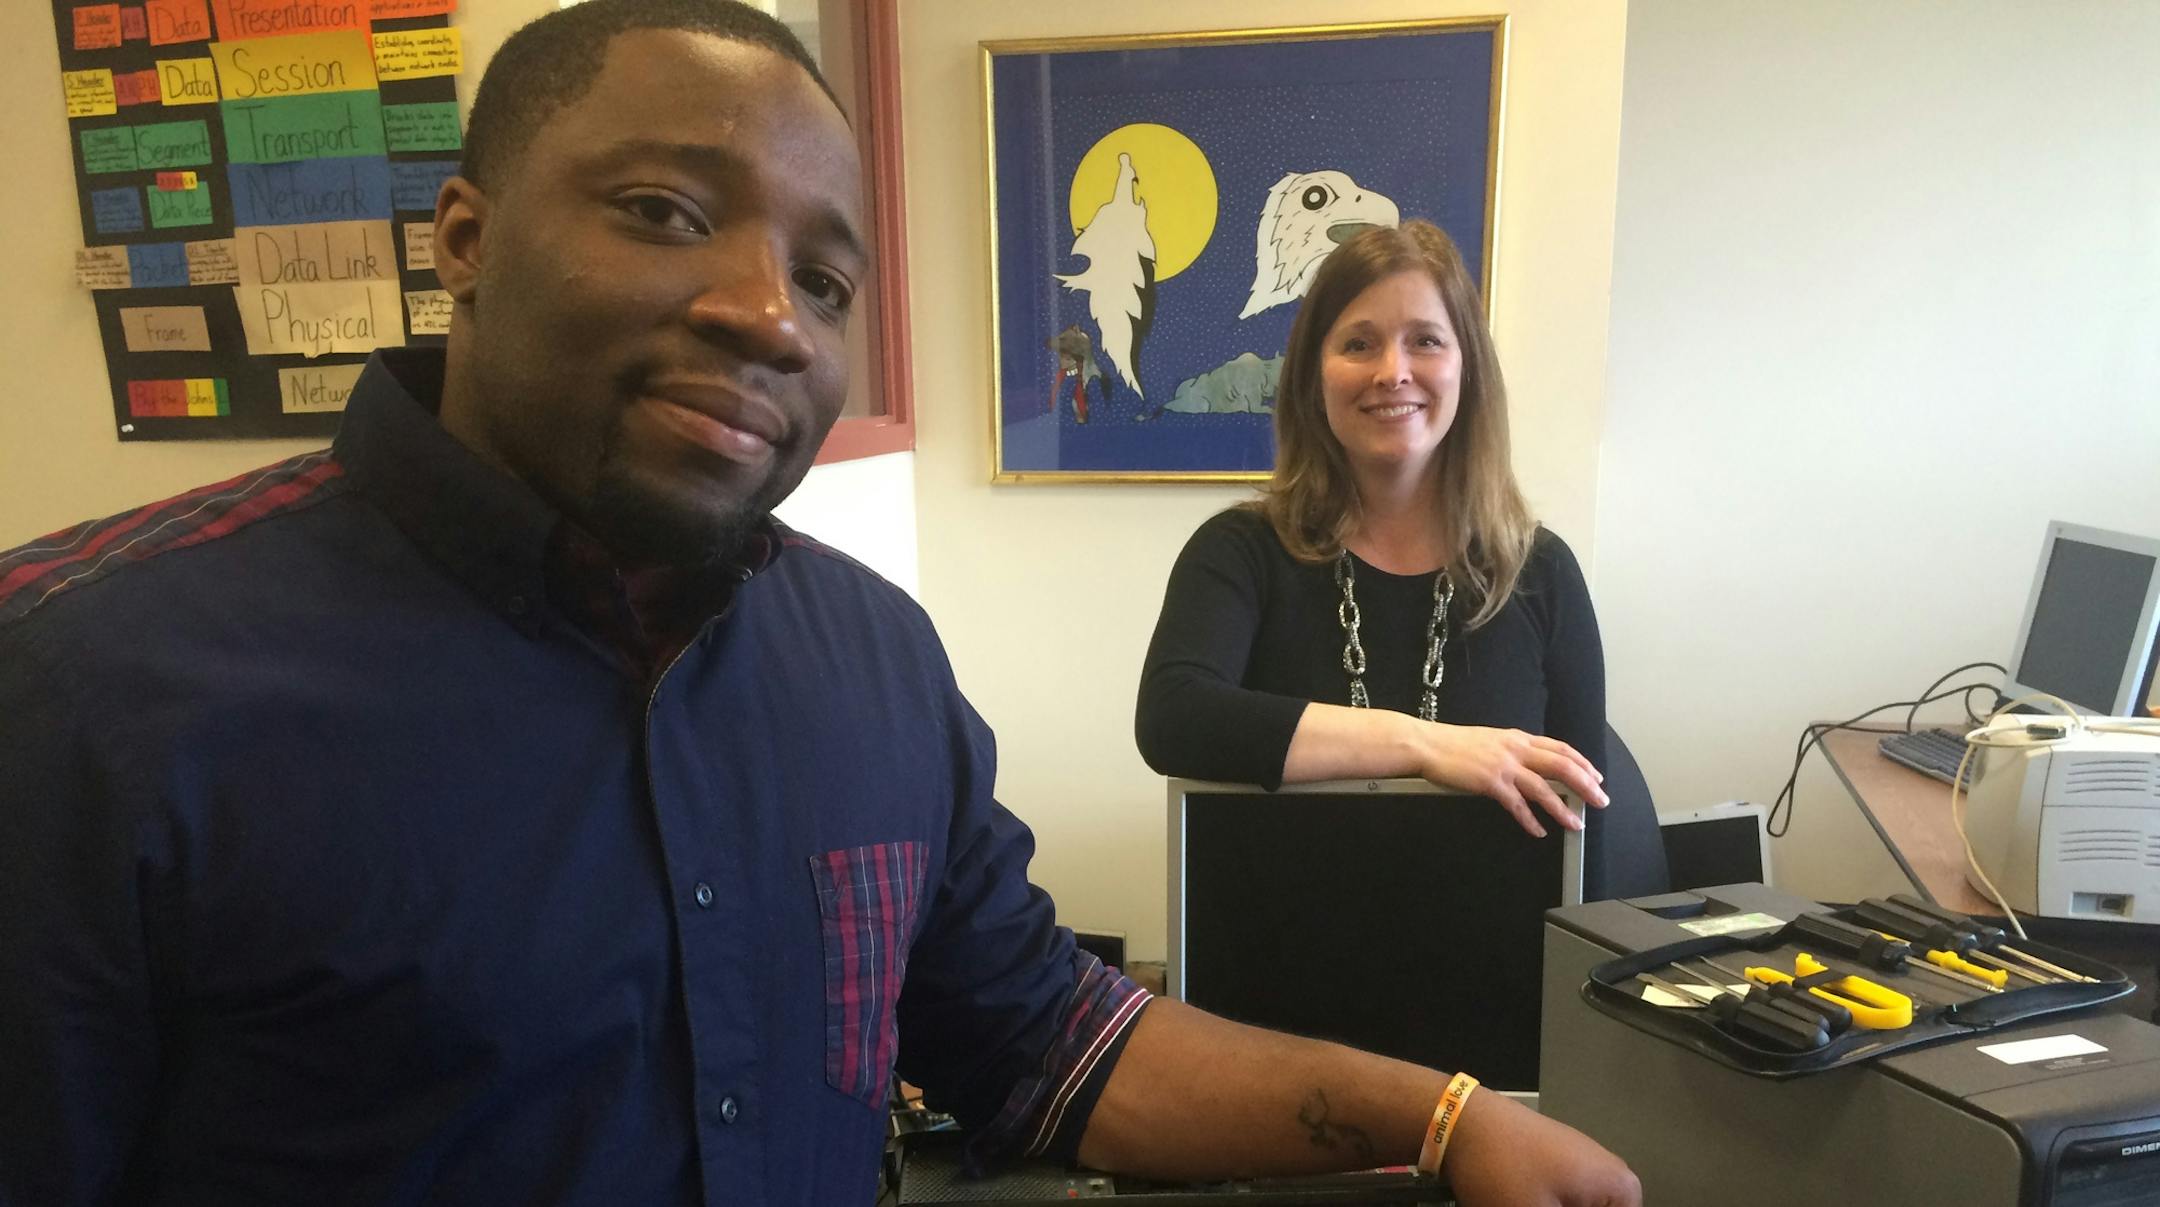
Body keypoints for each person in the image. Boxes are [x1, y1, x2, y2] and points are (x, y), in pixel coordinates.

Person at [0, 3, 1639, 1204]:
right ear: (467, 236)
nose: (765, 312)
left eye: (831, 279)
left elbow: (1048, 1039)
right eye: (664, 212)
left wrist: (1439, 1120)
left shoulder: (869, 663)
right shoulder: (81, 686)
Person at [1135, 220, 1666, 901]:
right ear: (1311, 376)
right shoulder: (1239, 552)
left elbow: (1589, 841)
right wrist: (1426, 746)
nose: (1393, 371)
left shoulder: (1543, 573)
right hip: (1268, 985)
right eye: (1358, 343)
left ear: (1466, 367)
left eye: (1426, 340)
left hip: (1501, 993)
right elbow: (1173, 718)